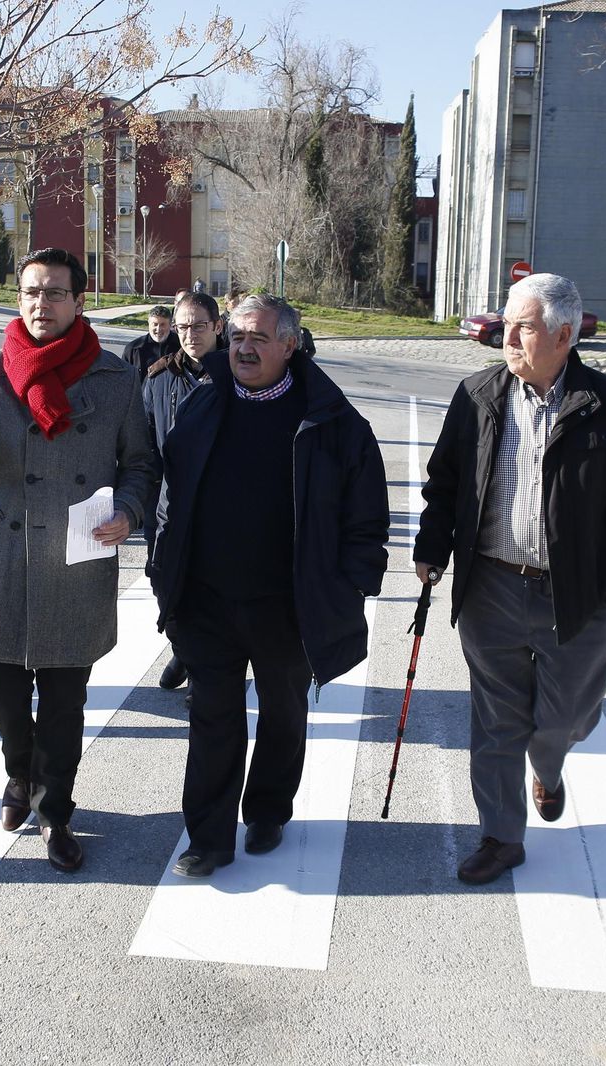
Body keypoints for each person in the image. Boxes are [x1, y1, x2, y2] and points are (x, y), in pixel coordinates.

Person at [414, 272, 606, 886]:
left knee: (566, 717)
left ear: (565, 335)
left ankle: (548, 766)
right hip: (490, 585)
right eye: (506, 322)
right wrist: (432, 549)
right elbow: (444, 483)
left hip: (576, 596)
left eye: (524, 326)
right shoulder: (477, 396)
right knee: (497, 719)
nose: (507, 335)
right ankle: (500, 836)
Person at [0, 247, 158, 873]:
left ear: (79, 301)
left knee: (64, 704)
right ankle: (19, 774)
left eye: (55, 292)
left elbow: (140, 464)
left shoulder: (115, 379)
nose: (41, 303)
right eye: (31, 292)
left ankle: (55, 812)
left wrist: (131, 513)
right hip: (5, 554)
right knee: (1, 692)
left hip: (79, 556)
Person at [151, 293, 389, 878]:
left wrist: (351, 585)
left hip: (288, 603)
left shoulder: (331, 419)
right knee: (213, 716)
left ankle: (267, 810)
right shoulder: (203, 404)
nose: (245, 348)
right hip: (208, 598)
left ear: (289, 344)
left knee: (284, 713)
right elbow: (171, 498)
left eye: (258, 338)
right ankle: (208, 836)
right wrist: (164, 570)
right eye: (237, 337)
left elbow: (366, 514)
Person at [142, 290, 219, 696]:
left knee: (209, 593)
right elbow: (143, 445)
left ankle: (204, 675)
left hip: (218, 510)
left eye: (199, 325)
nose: (190, 334)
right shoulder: (159, 377)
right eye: (183, 326)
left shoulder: (234, 375)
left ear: (217, 327)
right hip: (166, 507)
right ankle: (182, 649)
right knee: (162, 582)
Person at [121, 304, 179, 374]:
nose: (158, 329)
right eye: (155, 324)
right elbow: (123, 377)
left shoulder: (181, 346)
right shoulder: (133, 349)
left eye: (163, 324)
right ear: (148, 323)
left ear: (170, 325)